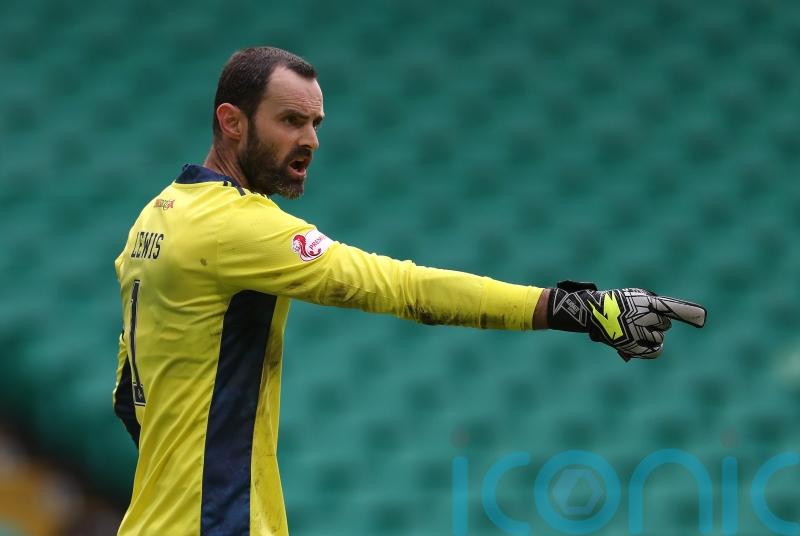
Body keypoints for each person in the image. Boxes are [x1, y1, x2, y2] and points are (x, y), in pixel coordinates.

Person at [112, 47, 706, 535]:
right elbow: (400, 287)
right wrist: (571, 308)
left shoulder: (158, 218)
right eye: (290, 120)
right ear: (232, 121)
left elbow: (126, 397)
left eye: (316, 123)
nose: (311, 140)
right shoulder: (236, 226)